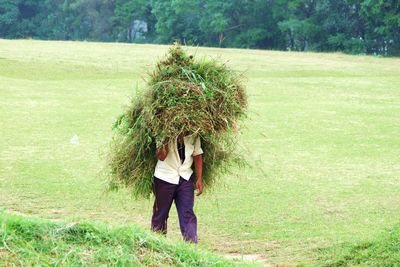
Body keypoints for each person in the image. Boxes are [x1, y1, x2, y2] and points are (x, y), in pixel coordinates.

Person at [151, 134, 203, 243]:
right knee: (160, 214)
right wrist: (170, 136)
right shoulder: (163, 130)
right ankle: (156, 244)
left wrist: (199, 179)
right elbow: (161, 156)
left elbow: (197, 155)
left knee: (187, 214)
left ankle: (191, 247)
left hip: (185, 178)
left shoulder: (194, 132)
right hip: (164, 178)